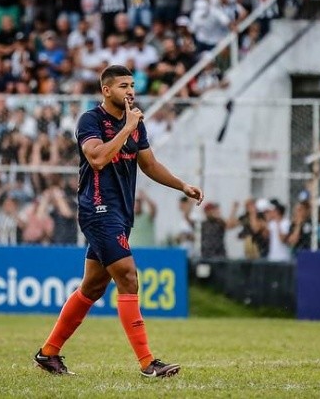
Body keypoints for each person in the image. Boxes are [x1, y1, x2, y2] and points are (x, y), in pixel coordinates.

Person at [34, 65, 203, 377]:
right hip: (98, 209)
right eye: (123, 85)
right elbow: (96, 158)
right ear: (106, 90)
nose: (130, 91)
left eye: (132, 85)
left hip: (121, 213)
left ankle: (48, 353)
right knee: (128, 277)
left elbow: (149, 164)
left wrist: (182, 185)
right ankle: (147, 363)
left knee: (93, 286)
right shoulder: (91, 120)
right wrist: (127, 128)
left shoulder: (136, 123)